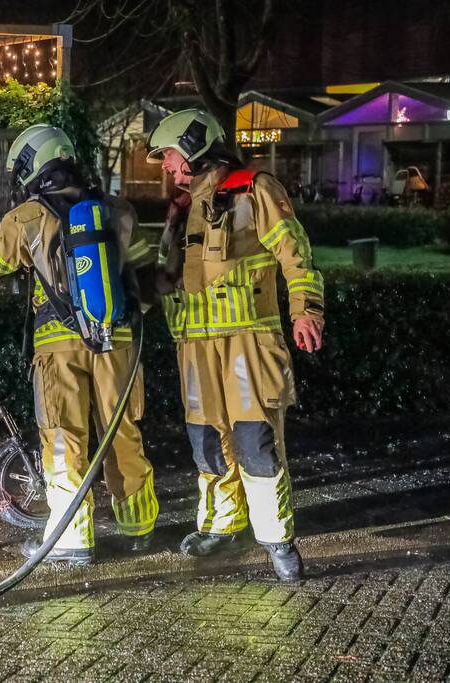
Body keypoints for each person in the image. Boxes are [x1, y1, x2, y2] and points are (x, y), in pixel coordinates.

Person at [0, 124, 158, 564]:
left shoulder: (28, 218)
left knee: (64, 439)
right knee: (122, 433)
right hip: (119, 342)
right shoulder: (118, 210)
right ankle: (139, 526)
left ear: (32, 166)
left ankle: (72, 539)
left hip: (59, 347)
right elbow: (149, 281)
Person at [146, 109, 325, 581]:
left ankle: (277, 541)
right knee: (206, 443)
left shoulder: (255, 189)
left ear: (193, 147)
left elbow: (296, 252)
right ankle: (222, 527)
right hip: (195, 349)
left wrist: (305, 310)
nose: (165, 165)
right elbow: (165, 276)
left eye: (168, 154)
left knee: (256, 442)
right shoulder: (182, 207)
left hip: (250, 343)